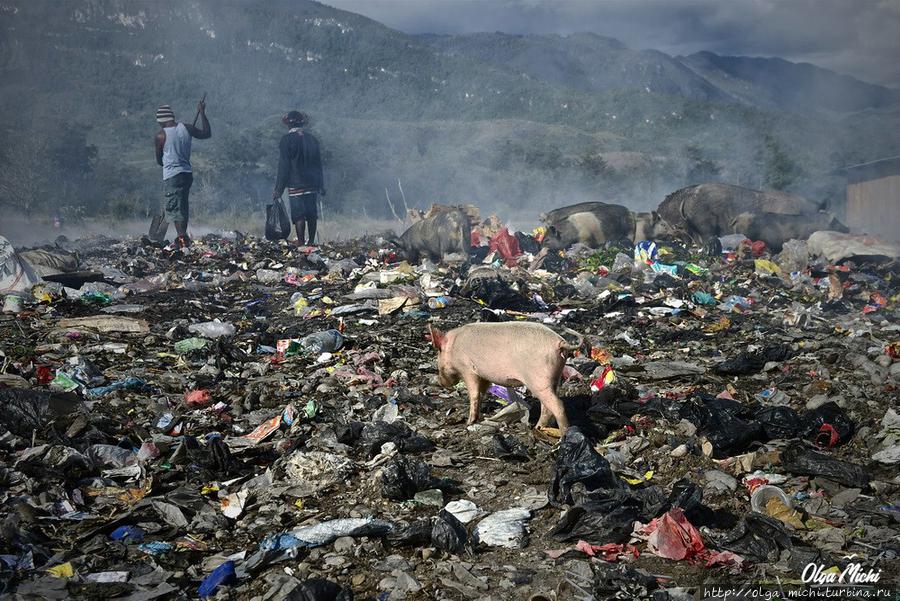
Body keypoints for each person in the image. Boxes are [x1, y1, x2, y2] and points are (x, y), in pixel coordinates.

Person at [154, 102, 211, 248]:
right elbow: (206, 133)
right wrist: (202, 112)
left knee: (175, 207)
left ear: (161, 121)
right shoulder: (187, 128)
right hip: (186, 174)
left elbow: (159, 160)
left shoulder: (161, 136)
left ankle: (181, 238)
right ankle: (181, 235)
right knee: (182, 205)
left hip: (172, 175)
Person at [273, 111, 325, 246]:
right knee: (311, 214)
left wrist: (279, 188)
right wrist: (321, 184)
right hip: (312, 183)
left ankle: (301, 243)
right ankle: (311, 242)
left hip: (295, 184)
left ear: (288, 125)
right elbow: (318, 164)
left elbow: (284, 166)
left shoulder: (286, 140)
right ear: (303, 123)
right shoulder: (312, 139)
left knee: (299, 215)